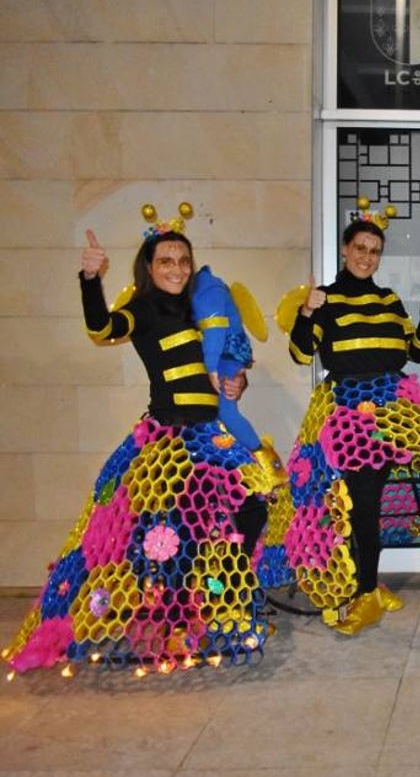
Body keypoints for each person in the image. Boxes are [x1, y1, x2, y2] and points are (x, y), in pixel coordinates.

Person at [4, 213, 273, 674]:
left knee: (250, 507)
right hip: (168, 440)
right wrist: (90, 279)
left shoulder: (198, 309)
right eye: (166, 260)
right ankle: (170, 617)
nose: (176, 268)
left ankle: (219, 600)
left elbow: (218, 366)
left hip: (210, 438)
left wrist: (236, 381)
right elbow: (103, 327)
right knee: (167, 534)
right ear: (148, 267)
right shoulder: (145, 309)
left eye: (183, 260)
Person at [273, 200, 420, 635]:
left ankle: (368, 584)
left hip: (388, 410)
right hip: (350, 415)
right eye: (360, 248)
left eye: (374, 250)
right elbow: (299, 353)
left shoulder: (388, 300)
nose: (367, 256)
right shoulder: (326, 299)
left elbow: (415, 352)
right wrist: (307, 311)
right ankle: (363, 590)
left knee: (373, 502)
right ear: (345, 250)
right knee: (361, 503)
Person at [191, 264, 285, 486]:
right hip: (221, 358)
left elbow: (214, 332)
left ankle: (264, 462)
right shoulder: (200, 287)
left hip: (224, 356)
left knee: (226, 410)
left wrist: (211, 370)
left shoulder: (207, 288)